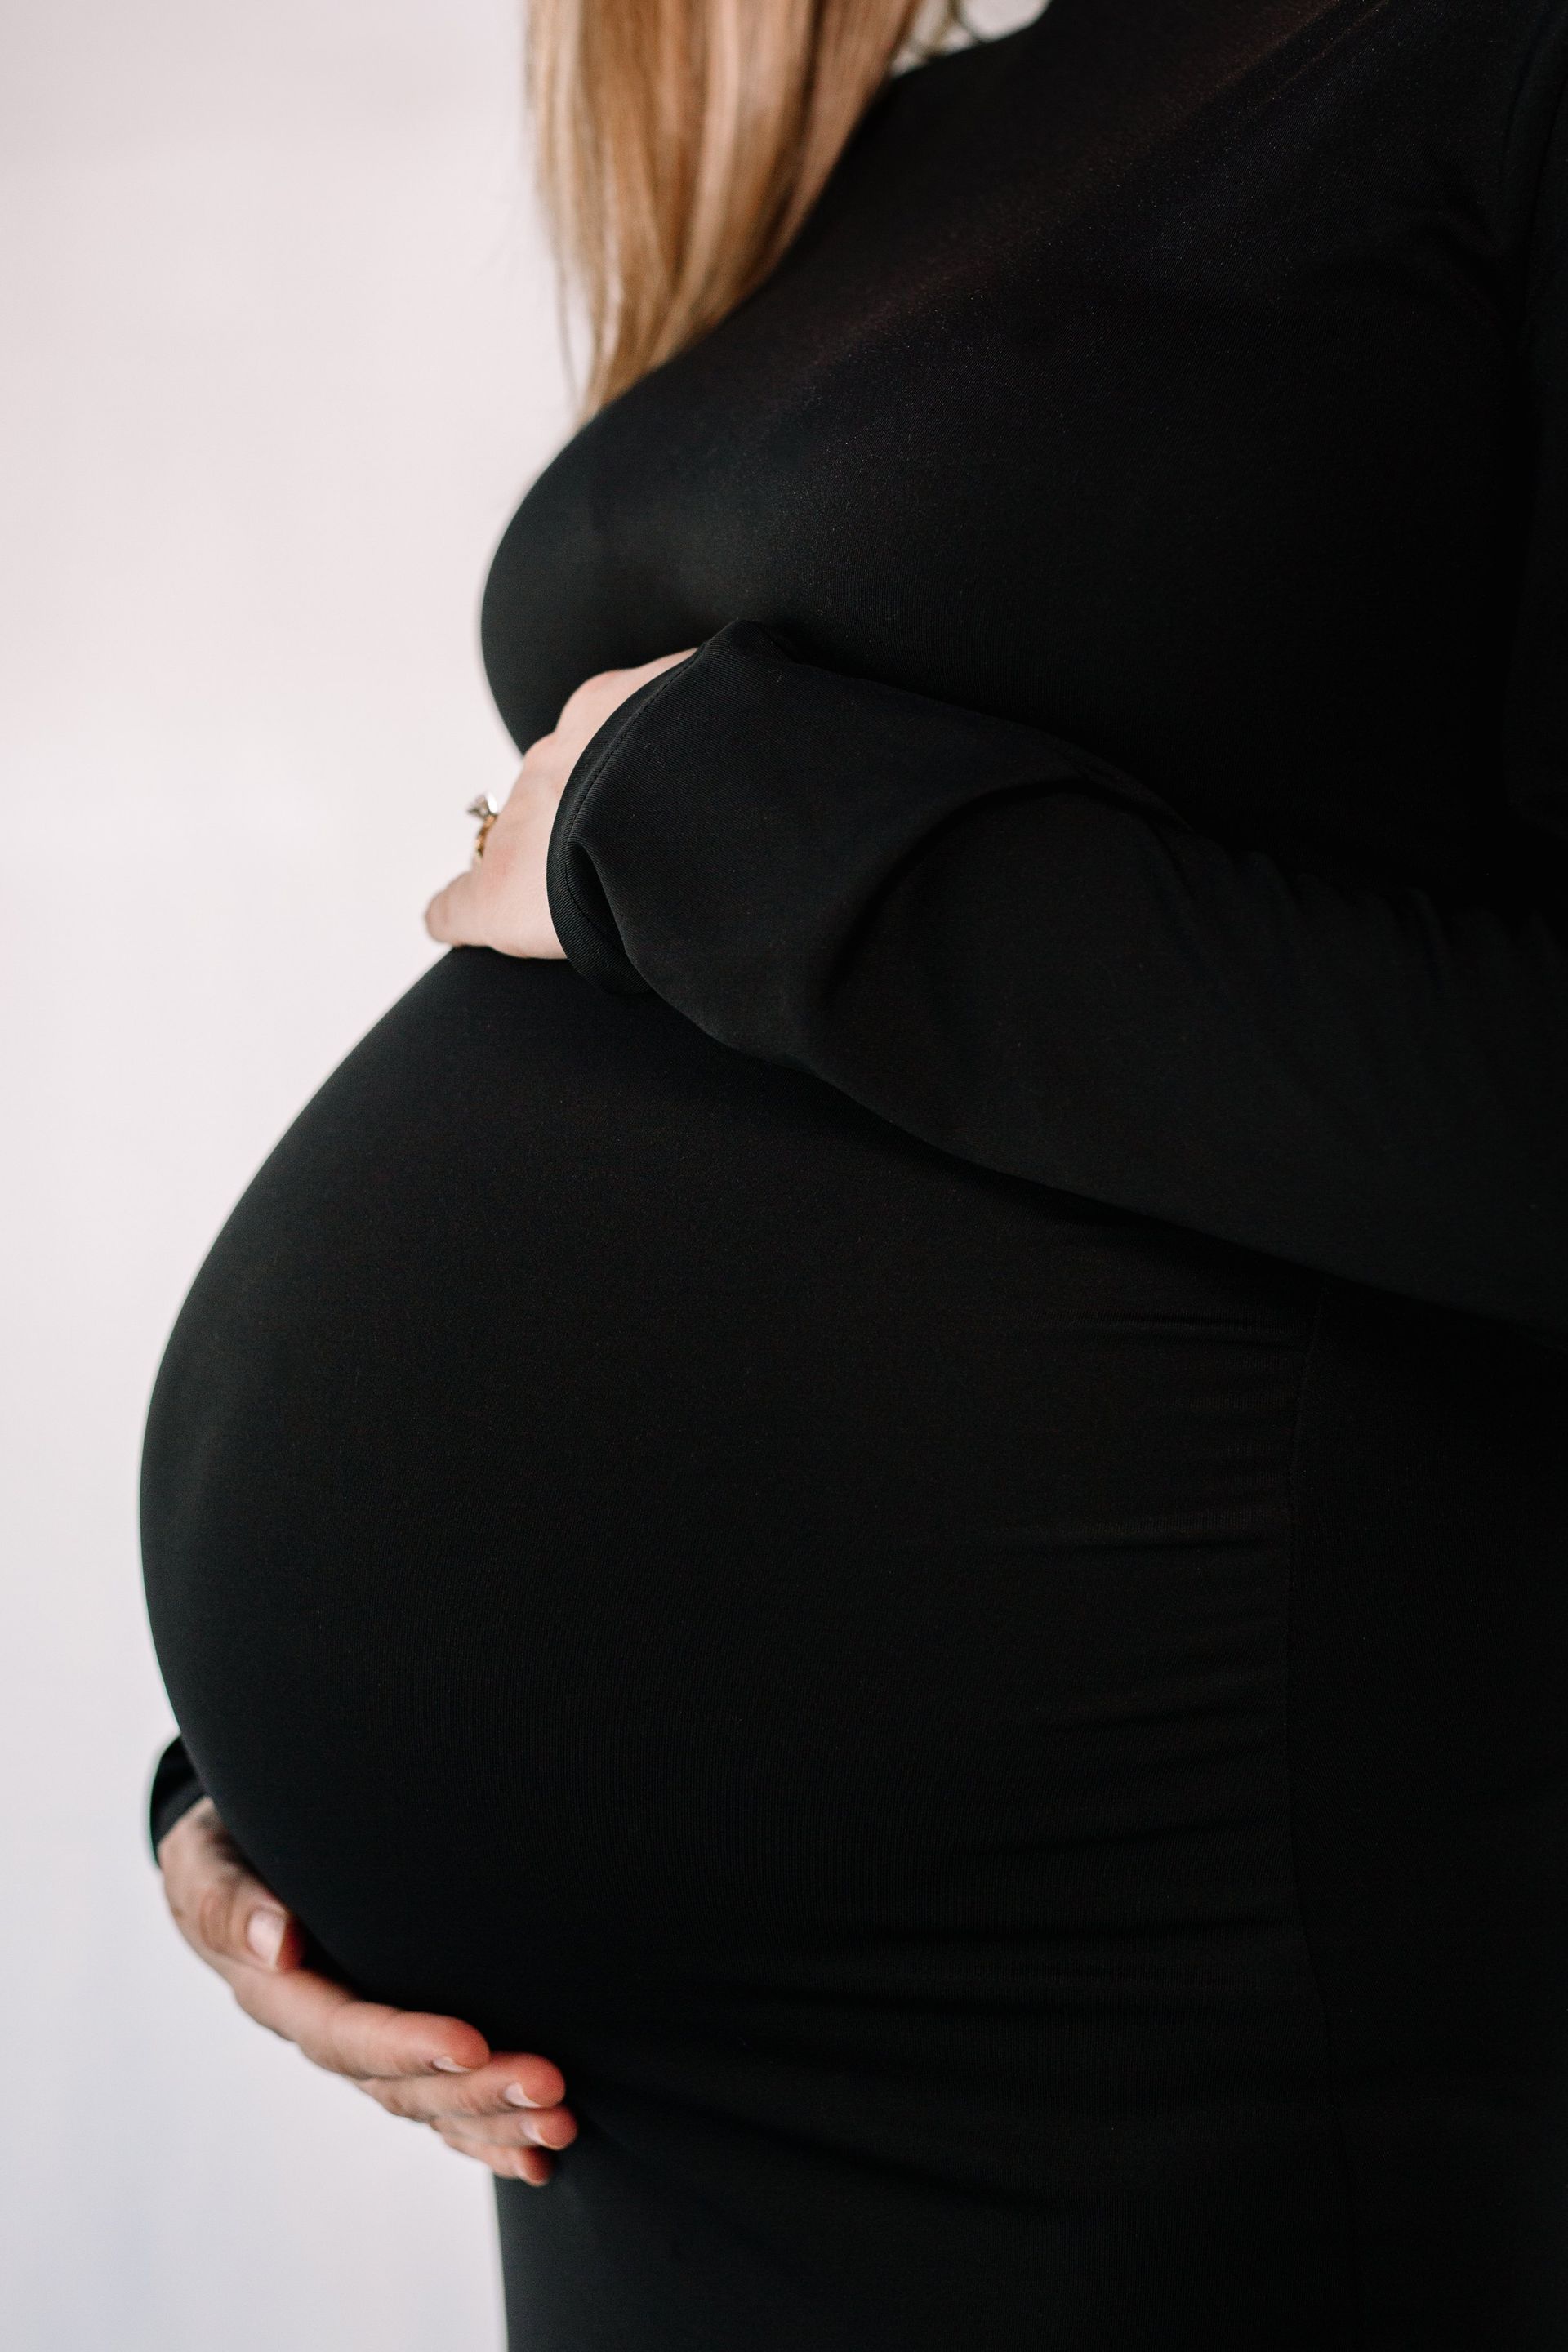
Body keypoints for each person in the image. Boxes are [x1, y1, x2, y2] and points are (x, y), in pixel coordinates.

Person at [145, 0, 1568, 2343]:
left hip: (1147, 2038)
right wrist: (279, 1808)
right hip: (614, 2107)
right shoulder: (892, 149)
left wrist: (708, 820)